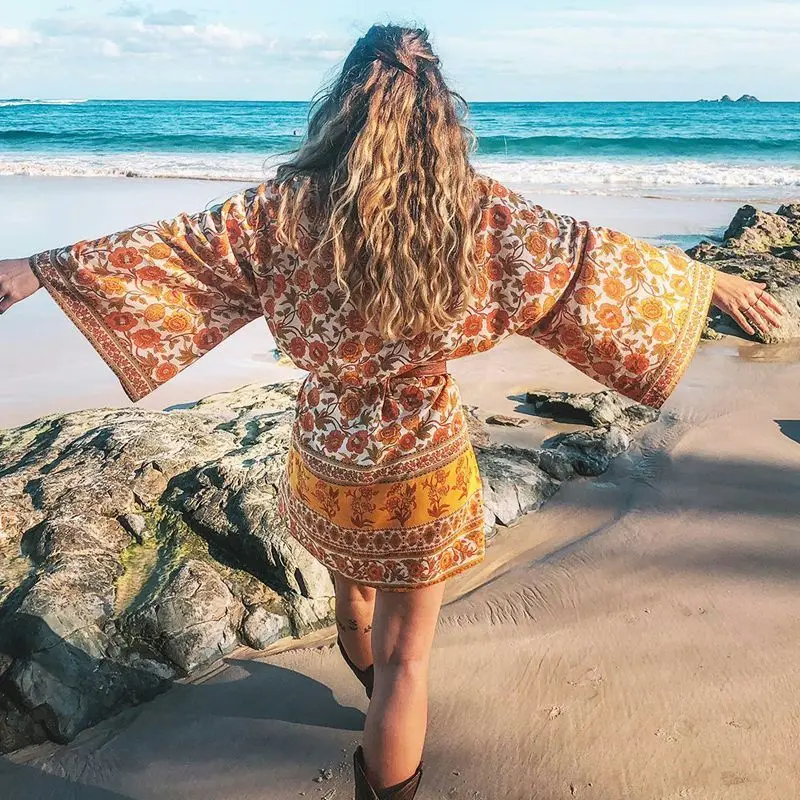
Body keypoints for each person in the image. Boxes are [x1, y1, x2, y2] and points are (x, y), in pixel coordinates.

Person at [0, 23, 785, 800]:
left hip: (330, 445)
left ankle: (375, 703)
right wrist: (707, 281)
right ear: (439, 110)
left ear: (342, 103)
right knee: (409, 661)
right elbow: (586, 259)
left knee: (353, 598)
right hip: (422, 453)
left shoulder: (278, 209)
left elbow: (169, 248)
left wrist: (39, 268)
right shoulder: (476, 211)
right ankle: (387, 742)